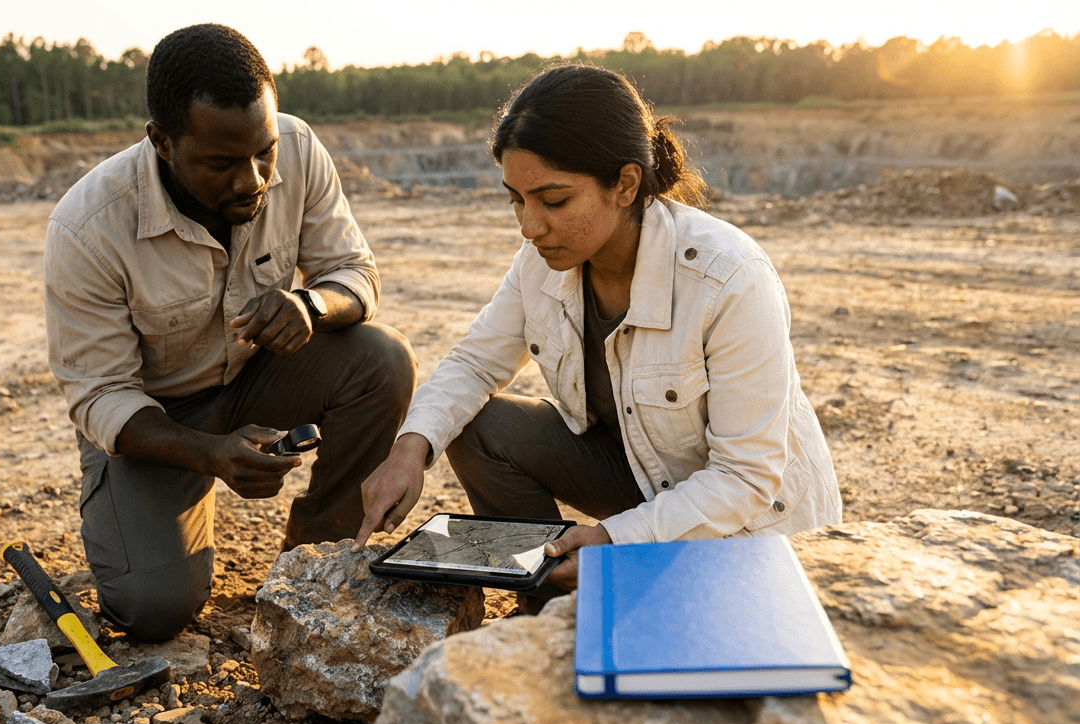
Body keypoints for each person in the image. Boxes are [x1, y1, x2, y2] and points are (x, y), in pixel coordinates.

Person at [356, 64, 840, 611]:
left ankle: (605, 590)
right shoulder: (540, 262)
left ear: (626, 185)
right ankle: (547, 603)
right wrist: (409, 449)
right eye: (515, 199)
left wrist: (613, 540)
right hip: (643, 477)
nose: (529, 226)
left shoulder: (728, 279)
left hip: (753, 525)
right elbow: (474, 363)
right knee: (478, 426)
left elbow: (744, 479)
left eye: (553, 200)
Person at [44, 24, 415, 641]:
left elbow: (356, 273)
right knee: (153, 608)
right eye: (221, 163)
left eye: (262, 152)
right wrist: (211, 456)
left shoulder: (295, 147)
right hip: (155, 420)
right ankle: (161, 510)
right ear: (162, 141)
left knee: (382, 359)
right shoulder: (88, 227)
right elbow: (99, 395)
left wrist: (312, 305)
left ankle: (315, 567)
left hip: (254, 379)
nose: (252, 179)